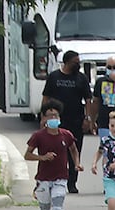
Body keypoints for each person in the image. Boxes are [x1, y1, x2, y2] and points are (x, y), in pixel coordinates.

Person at [25, 103, 80, 210]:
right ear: (44, 118)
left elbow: (73, 149)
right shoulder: (38, 136)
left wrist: (76, 163)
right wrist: (42, 157)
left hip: (60, 179)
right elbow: (27, 155)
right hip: (43, 179)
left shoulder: (66, 135)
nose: (53, 118)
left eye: (55, 115)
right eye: (50, 116)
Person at [41, 51, 87, 192]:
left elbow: (88, 100)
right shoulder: (54, 77)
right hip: (56, 121)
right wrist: (43, 117)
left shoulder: (81, 78)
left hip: (76, 120)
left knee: (74, 150)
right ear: (67, 62)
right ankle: (54, 180)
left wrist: (88, 119)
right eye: (75, 62)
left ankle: (72, 183)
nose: (77, 65)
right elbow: (46, 97)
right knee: (55, 150)